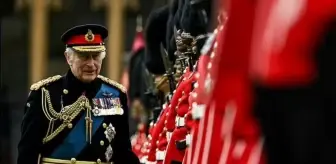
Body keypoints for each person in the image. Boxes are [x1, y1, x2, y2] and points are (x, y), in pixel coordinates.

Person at [17, 24, 140, 164]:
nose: (91, 64)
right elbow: (27, 153)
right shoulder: (44, 94)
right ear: (68, 58)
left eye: (96, 56)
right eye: (84, 56)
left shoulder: (115, 94)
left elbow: (122, 152)